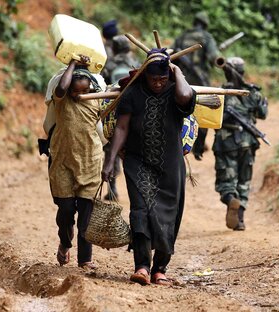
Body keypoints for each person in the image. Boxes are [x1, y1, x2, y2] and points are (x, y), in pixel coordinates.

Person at [102, 48, 196, 286]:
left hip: (170, 165)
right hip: (137, 162)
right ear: (144, 75)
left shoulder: (176, 91)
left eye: (162, 79)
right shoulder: (132, 93)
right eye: (153, 78)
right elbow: (122, 128)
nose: (157, 83)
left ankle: (160, 268)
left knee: (168, 215)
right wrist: (110, 160)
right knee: (140, 211)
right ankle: (142, 266)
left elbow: (186, 97)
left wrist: (178, 72)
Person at [50, 55, 103, 270]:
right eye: (76, 91)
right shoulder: (61, 100)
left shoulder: (97, 100)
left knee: (86, 215)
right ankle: (64, 242)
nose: (80, 95)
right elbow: (62, 88)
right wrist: (73, 64)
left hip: (90, 161)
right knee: (65, 210)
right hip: (63, 160)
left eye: (84, 91)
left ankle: (85, 259)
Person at [213, 57, 268, 231]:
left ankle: (230, 200)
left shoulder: (218, 94)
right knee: (244, 180)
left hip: (226, 141)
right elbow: (263, 114)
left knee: (226, 180)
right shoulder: (253, 93)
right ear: (243, 72)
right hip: (248, 142)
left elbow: (207, 119)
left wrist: (199, 145)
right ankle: (240, 220)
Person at [171, 11, 220, 161]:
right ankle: (198, 148)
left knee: (179, 109)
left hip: (182, 80)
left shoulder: (182, 36)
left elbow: (172, 53)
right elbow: (214, 57)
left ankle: (178, 143)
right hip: (200, 80)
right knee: (203, 110)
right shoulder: (207, 37)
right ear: (205, 24)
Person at [100, 35, 141, 200]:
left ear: (114, 48)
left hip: (113, 112)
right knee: (135, 150)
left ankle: (112, 188)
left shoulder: (109, 64)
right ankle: (137, 191)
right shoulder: (137, 63)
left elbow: (102, 87)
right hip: (136, 112)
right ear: (128, 48)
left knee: (112, 149)